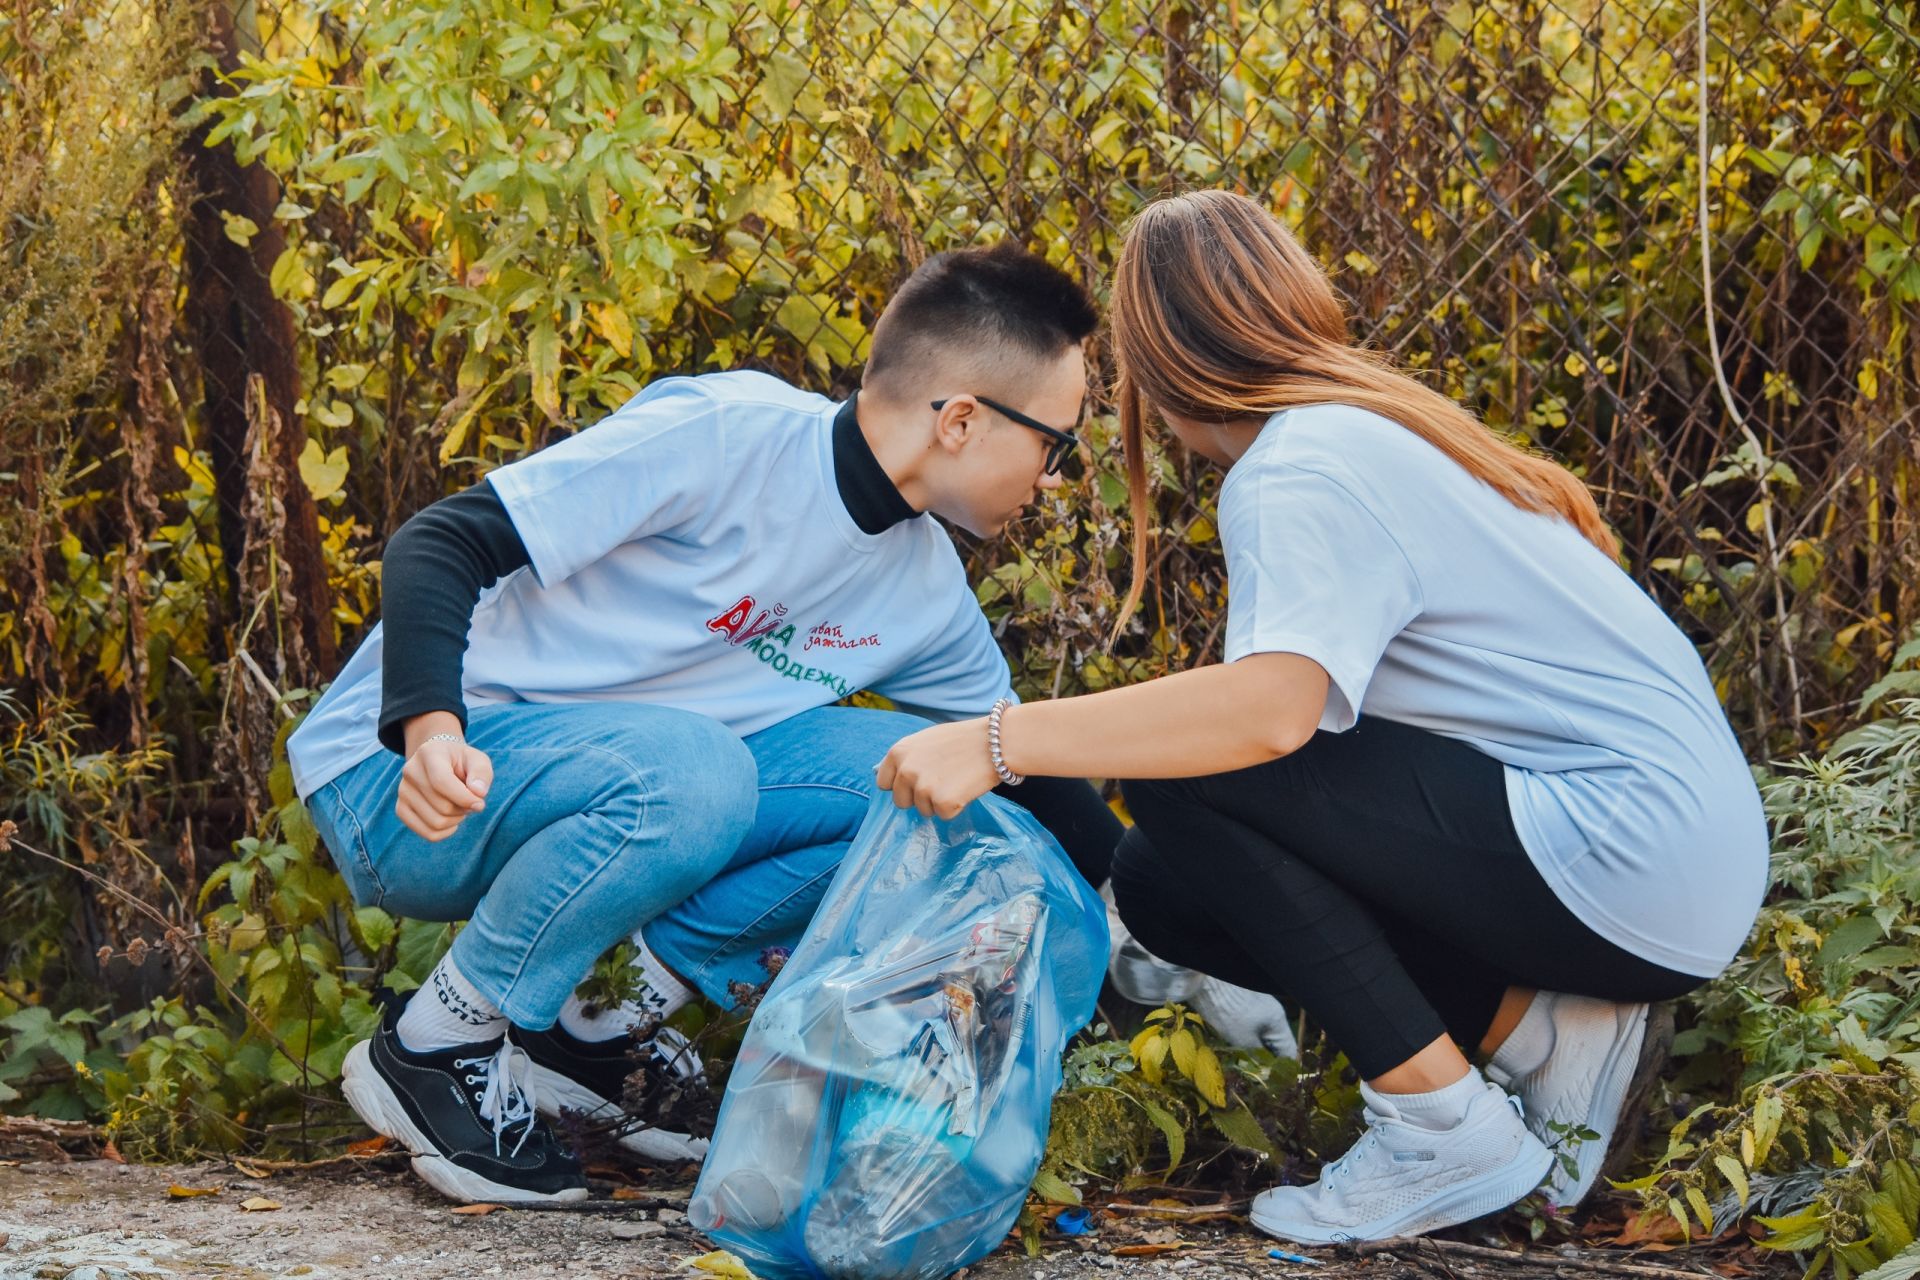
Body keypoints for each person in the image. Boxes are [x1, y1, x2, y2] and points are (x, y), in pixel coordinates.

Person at [876, 191, 1769, 1243]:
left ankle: (1440, 1126)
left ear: (1156, 367)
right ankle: (1541, 1035)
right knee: (1169, 879)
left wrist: (994, 740)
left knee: (1185, 766)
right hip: (1666, 863)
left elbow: (1263, 719)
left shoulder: (1299, 468)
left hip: (1625, 854)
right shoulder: (1365, 435)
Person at [288, 243, 1126, 1204]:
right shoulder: (730, 435)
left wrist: (1148, 918)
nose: (1055, 479)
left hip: (625, 784)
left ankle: (594, 1034)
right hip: (406, 781)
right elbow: (440, 542)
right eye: (1055, 445)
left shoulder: (925, 587)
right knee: (698, 771)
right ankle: (439, 1043)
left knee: (918, 787)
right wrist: (431, 733)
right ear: (964, 420)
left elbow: (1015, 754)